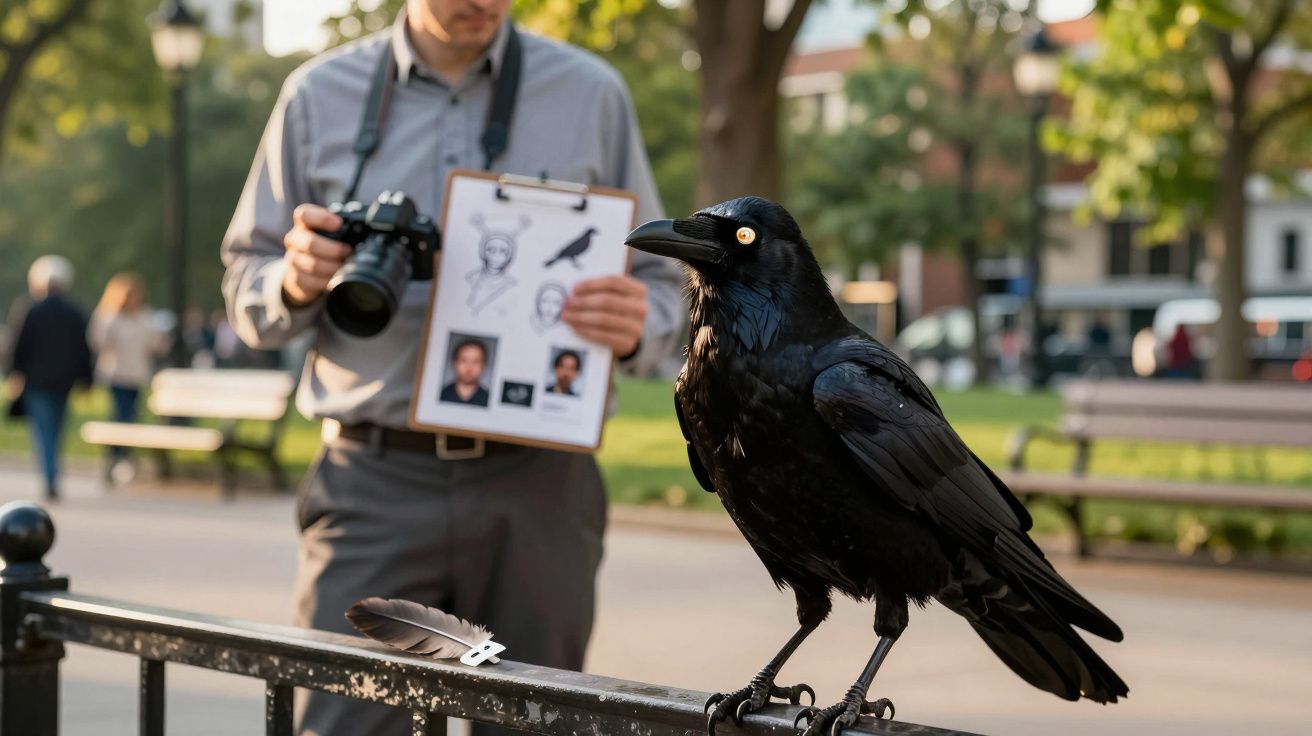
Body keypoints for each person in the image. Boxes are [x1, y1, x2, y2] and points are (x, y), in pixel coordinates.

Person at [220, 2, 683, 734]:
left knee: (539, 726)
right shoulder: (316, 93)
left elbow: (665, 289)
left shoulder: (593, 91)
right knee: (342, 725)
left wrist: (639, 326)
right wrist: (294, 280)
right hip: (374, 479)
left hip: (542, 486)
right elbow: (248, 284)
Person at [5, 256, 93, 500]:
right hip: (63, 382)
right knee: (55, 429)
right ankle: (53, 474)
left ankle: (50, 475)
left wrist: (14, 374)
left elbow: (18, 347)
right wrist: (87, 380)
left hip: (37, 382)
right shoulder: (74, 312)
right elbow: (83, 350)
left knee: (43, 431)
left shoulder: (30, 310)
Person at [88, 273, 164, 480]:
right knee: (121, 414)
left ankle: (122, 457)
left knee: (130, 415)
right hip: (115, 374)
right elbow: (98, 342)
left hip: (136, 374)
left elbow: (156, 345)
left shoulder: (145, 317)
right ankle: (116, 457)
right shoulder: (108, 317)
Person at [439, 339, 491, 406]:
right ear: (455, 363)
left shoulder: (489, 399)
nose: (469, 367)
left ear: (483, 366)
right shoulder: (441, 394)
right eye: (464, 360)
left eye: (476, 362)